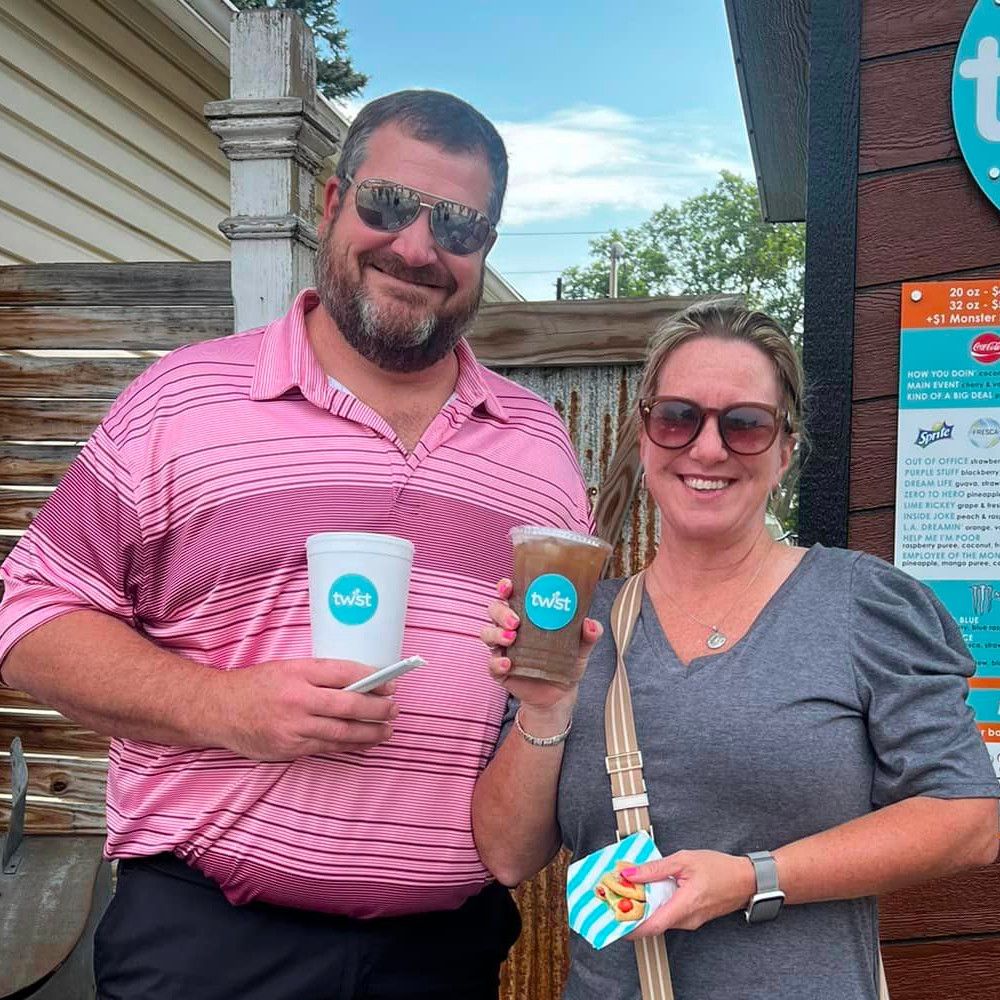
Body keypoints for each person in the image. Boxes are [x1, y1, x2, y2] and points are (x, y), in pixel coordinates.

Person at [0, 90, 593, 1000]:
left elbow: (542, 686)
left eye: (460, 225)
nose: (418, 248)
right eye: (388, 205)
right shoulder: (182, 403)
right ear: (330, 203)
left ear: (487, 251)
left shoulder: (537, 447)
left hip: (443, 958)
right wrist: (228, 706)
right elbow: (30, 617)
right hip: (208, 950)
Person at [474, 299, 1000, 1000]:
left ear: (785, 450)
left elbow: (968, 819)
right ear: (645, 434)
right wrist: (543, 710)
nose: (708, 448)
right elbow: (509, 856)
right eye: (678, 417)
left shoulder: (860, 606)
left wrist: (754, 878)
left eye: (745, 424)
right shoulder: (582, 624)